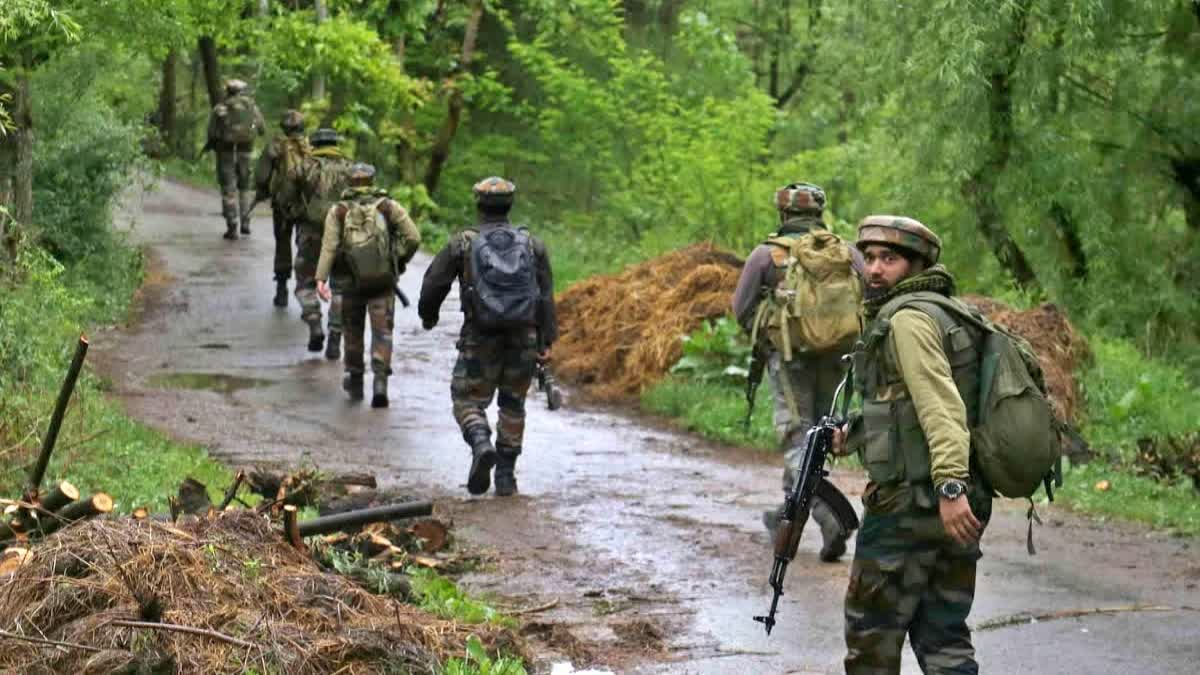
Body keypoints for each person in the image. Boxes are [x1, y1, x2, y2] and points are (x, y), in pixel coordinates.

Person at [836, 215, 992, 674]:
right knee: (944, 638)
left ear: (918, 264)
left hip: (914, 503)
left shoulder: (908, 321)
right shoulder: (948, 311)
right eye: (869, 258)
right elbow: (905, 406)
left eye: (890, 258)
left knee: (871, 637)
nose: (876, 269)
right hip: (959, 498)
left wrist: (949, 487)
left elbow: (941, 407)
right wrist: (859, 431)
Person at [731, 182, 862, 562]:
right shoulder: (847, 254)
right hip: (839, 359)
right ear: (819, 213)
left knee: (796, 437)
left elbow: (741, 310)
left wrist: (774, 332)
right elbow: (868, 300)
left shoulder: (767, 256)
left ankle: (828, 515)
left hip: (790, 360)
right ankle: (785, 516)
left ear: (783, 214)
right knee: (819, 439)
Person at [417, 177, 557, 497]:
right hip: (524, 338)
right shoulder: (532, 245)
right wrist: (546, 340)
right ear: (510, 205)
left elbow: (433, 284)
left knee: (466, 398)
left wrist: (429, 316)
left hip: (480, 338)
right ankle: (506, 476)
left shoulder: (463, 243)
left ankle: (480, 441)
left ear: (478, 204)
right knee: (513, 403)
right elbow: (546, 295)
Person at [316, 163, 421, 408]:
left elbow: (329, 246)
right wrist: (397, 260)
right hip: (382, 283)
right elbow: (414, 237)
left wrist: (321, 278)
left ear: (349, 182)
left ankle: (355, 379)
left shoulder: (338, 211)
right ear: (372, 181)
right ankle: (380, 383)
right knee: (382, 331)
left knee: (352, 330)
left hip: (348, 283)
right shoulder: (388, 207)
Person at [295, 128, 352, 356]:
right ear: (336, 143)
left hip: (311, 233)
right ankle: (335, 335)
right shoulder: (352, 168)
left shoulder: (303, 167)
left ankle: (314, 321)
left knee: (306, 282)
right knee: (340, 285)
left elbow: (285, 198)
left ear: (314, 144)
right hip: (343, 235)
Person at [254, 110, 310, 307]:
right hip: (305, 206)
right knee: (306, 247)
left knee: (283, 244)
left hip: (282, 205)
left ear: (283, 127)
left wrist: (262, 191)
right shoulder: (311, 147)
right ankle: (307, 292)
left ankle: (281, 290)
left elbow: (261, 176)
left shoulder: (275, 145)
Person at [205, 79, 264, 240]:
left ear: (228, 91)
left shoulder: (219, 109)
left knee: (229, 189)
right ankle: (246, 222)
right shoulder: (252, 107)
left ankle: (232, 225)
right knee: (245, 189)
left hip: (225, 154)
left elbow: (212, 133)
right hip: (246, 152)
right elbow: (261, 129)